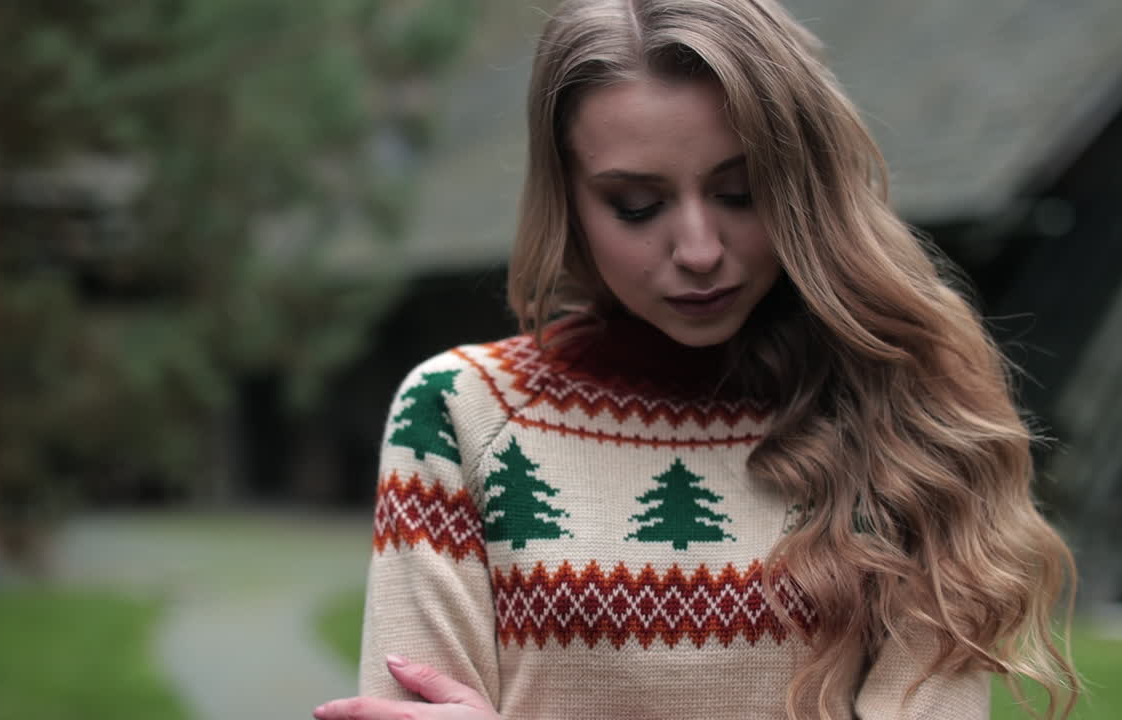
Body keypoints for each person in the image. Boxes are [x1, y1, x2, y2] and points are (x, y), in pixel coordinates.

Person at [314, 0, 1080, 718]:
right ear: (568, 200)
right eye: (637, 206)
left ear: (806, 187)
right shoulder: (459, 416)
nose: (701, 251)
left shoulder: (907, 424)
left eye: (742, 192)